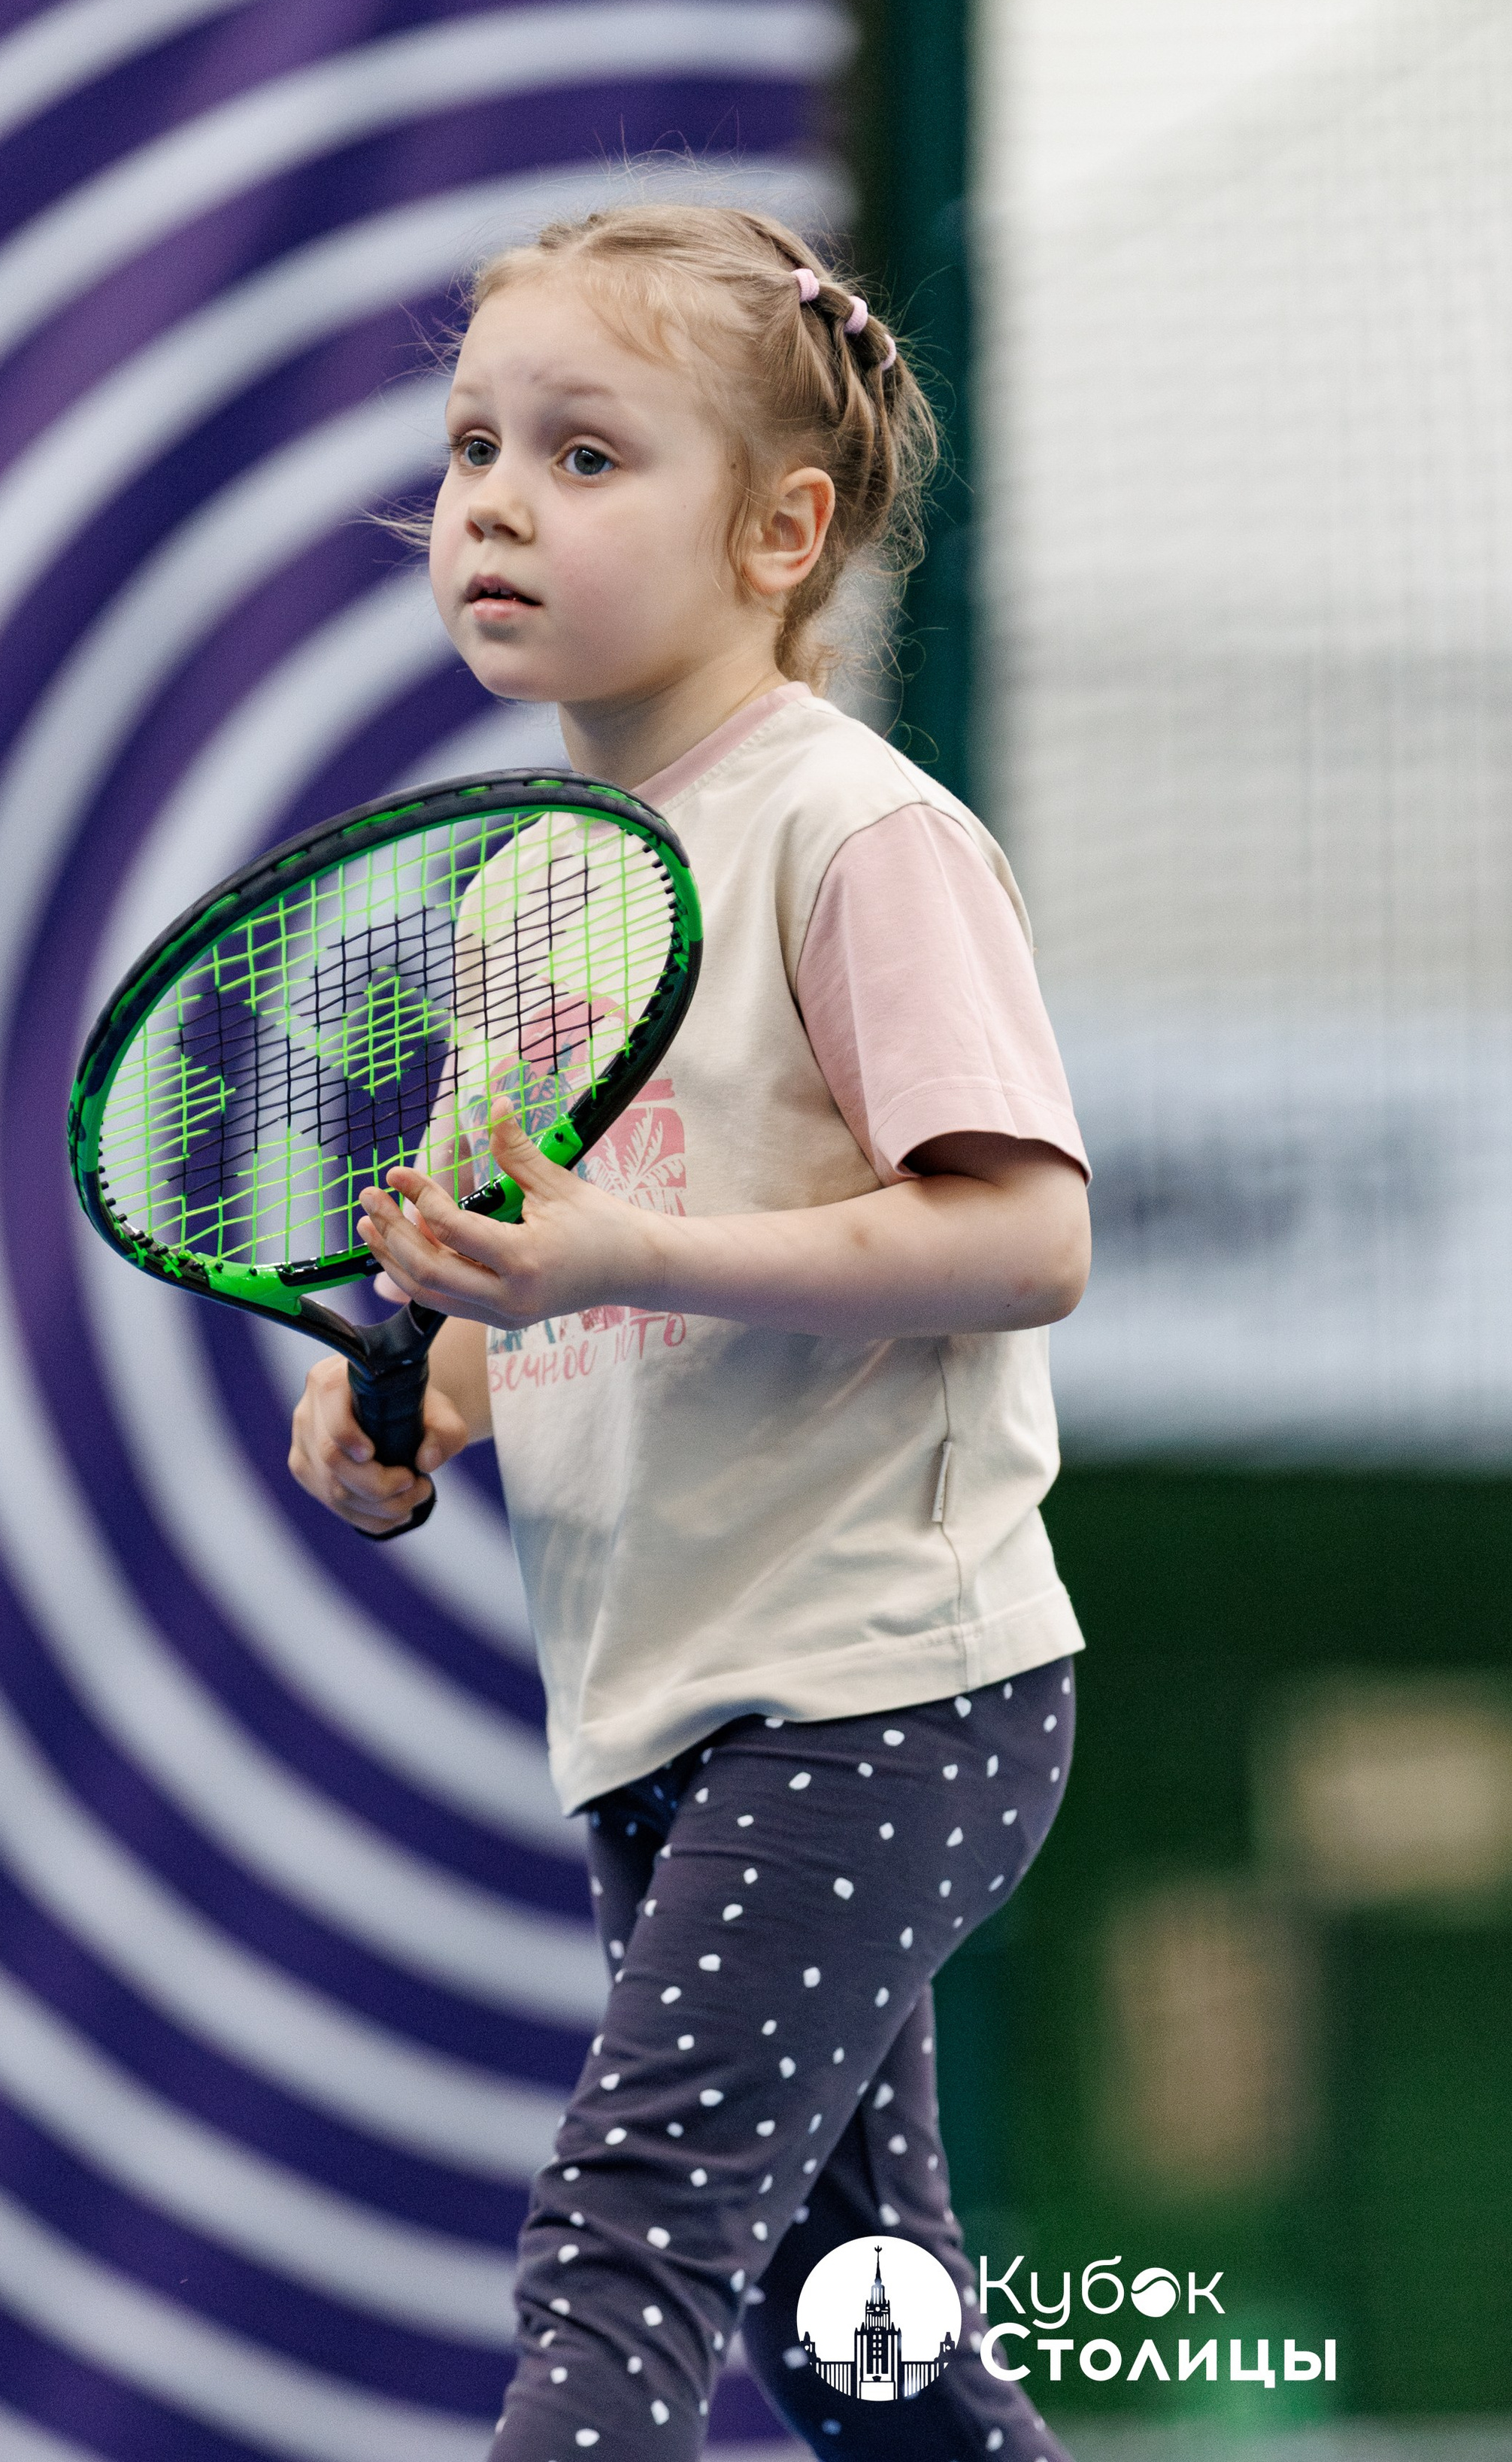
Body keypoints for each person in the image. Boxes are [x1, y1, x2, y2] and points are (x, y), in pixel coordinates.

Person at [287, 201, 1089, 2462]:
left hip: (887, 1692)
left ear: (781, 534)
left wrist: (618, 1268)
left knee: (624, 2248)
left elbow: (1021, 1238)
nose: (494, 504)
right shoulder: (541, 880)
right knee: (873, 2350)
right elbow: (516, 1282)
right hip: (663, 1701)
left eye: (584, 452)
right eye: (469, 448)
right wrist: (403, 1408)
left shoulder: (861, 837)